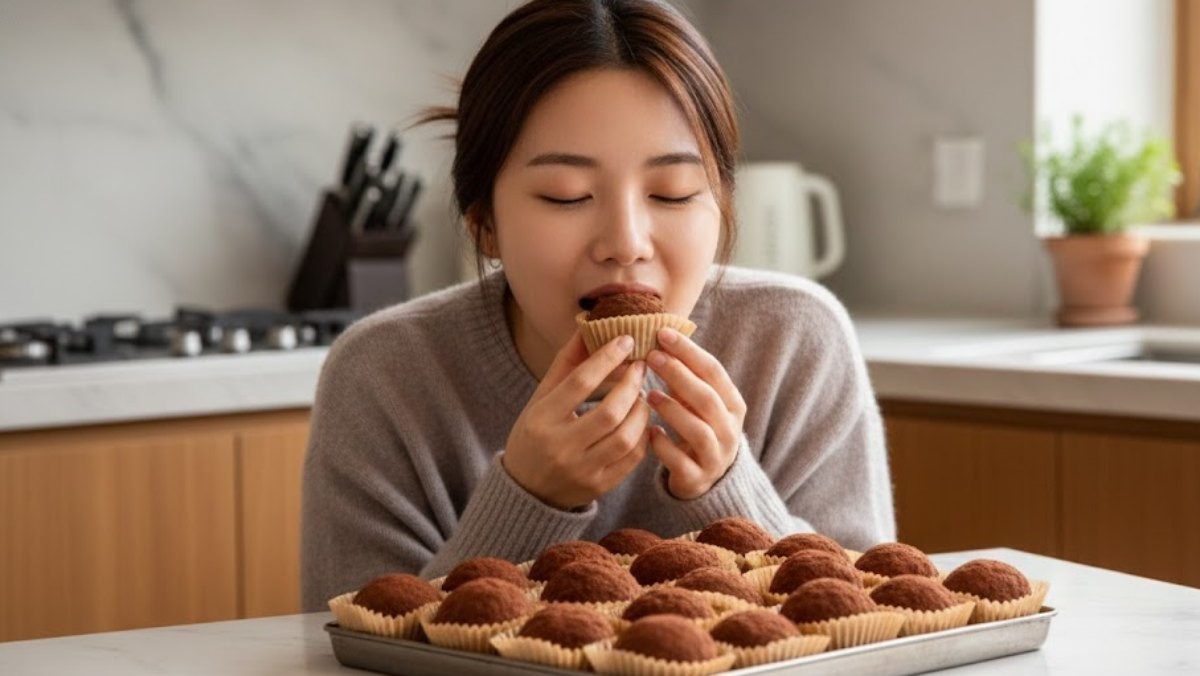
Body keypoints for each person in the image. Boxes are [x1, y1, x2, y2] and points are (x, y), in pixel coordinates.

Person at [300, 0, 894, 611]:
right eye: (566, 196)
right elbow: (346, 644)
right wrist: (527, 499)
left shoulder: (793, 340)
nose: (626, 244)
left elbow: (868, 621)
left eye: (673, 192)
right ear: (484, 225)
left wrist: (729, 489)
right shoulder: (383, 373)